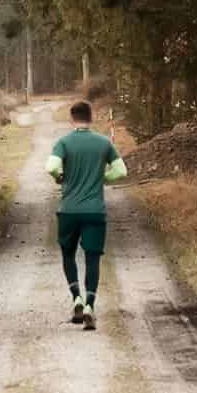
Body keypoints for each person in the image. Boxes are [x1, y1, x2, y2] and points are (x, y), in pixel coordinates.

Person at [43, 100, 127, 330]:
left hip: (68, 210)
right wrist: (102, 178)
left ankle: (76, 298)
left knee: (68, 255)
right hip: (94, 211)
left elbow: (50, 167)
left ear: (72, 119)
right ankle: (90, 305)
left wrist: (60, 177)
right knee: (92, 258)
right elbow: (121, 170)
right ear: (91, 118)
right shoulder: (103, 143)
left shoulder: (63, 143)